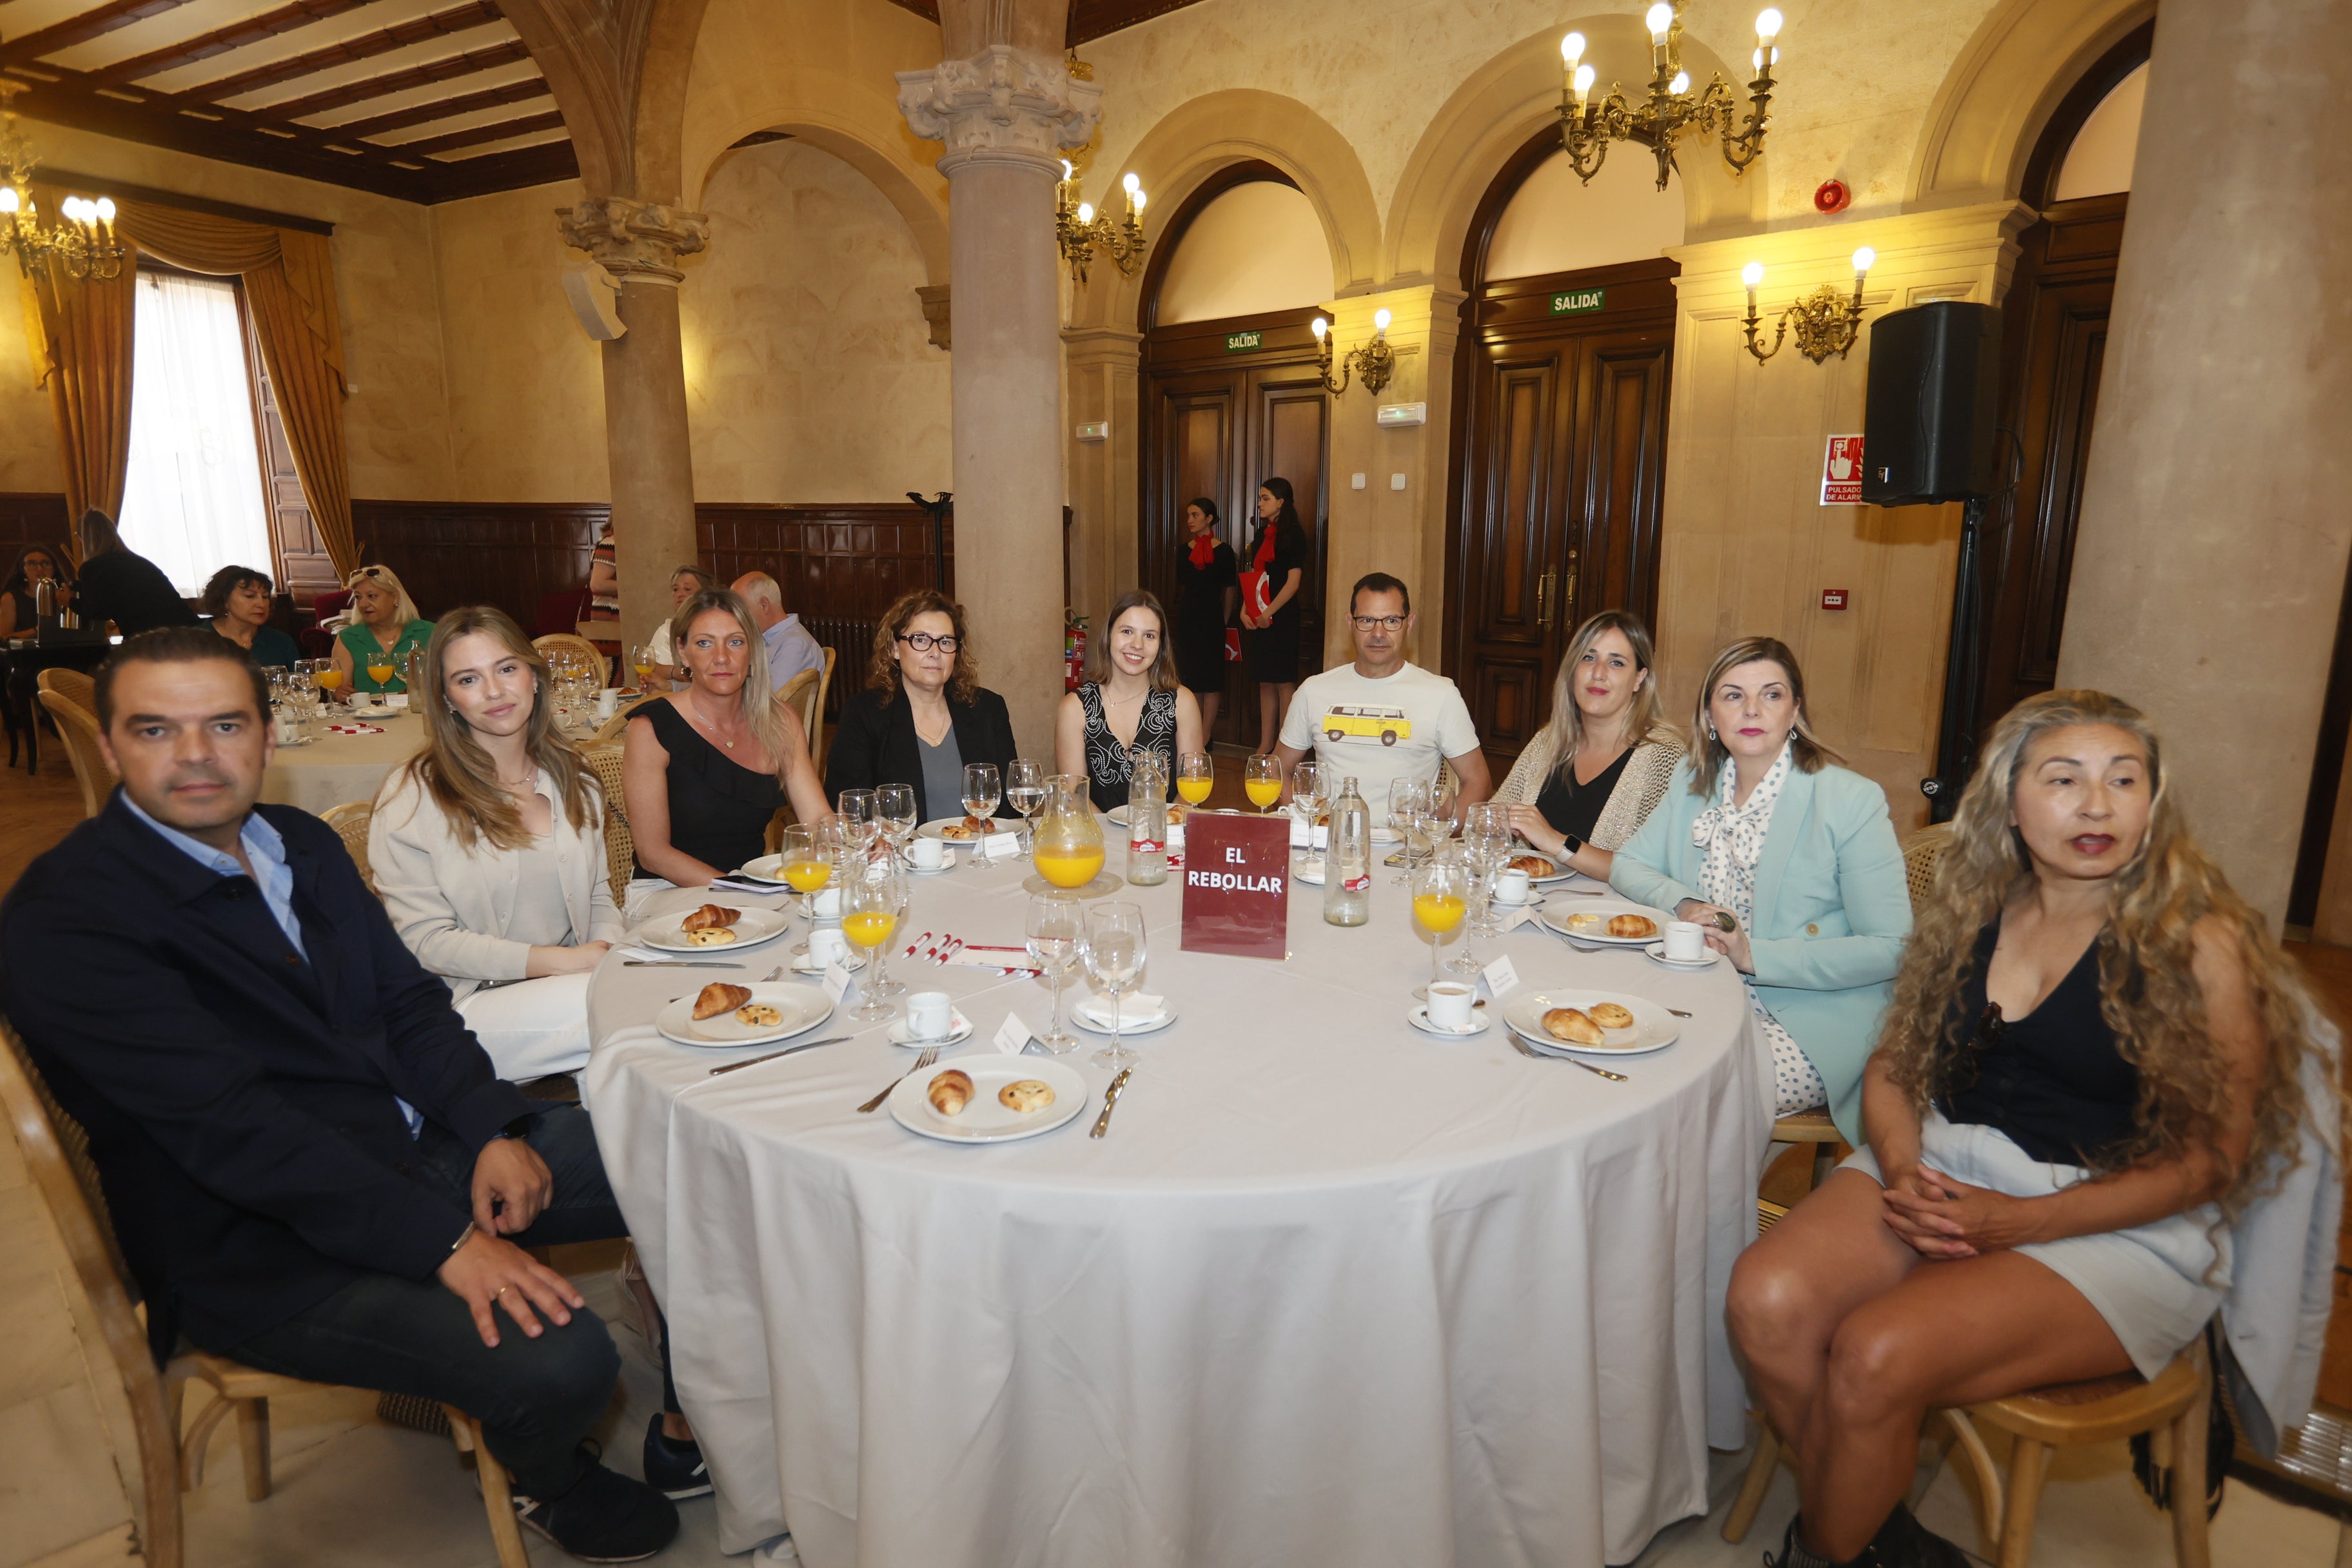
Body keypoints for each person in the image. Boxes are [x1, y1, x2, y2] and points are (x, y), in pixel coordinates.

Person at [0, 627, 683, 1562]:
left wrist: (488, 1126)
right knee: (567, 1356)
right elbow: (237, 1136)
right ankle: (551, 1477)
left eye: (225, 724)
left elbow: (408, 1006)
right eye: (158, 730)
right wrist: (445, 1243)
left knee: (676, 1157)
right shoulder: (70, 919)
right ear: (111, 747)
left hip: (414, 1148)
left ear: (267, 736)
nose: (197, 755)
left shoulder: (300, 844)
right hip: (256, 1244)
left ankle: (699, 1399)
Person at [1724, 690, 2339, 1568]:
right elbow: (1895, 1070)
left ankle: (1826, 1548)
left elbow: (2214, 1160)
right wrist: (1901, 1168)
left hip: (2115, 1219)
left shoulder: (2196, 943)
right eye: (2065, 779)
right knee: (1764, 1299)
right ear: (2010, 801)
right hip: (1940, 1165)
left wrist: (2026, 1222)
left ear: (2152, 803)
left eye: (2124, 780)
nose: (2097, 805)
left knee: (1874, 1355)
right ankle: (1867, 1538)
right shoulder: (1977, 910)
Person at [1609, 636, 1910, 1133]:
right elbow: (1629, 866)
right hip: (1702, 992)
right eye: (1732, 696)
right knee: (1612, 1058)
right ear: (1710, 715)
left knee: (1679, 1101)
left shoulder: (1849, 800)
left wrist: (1755, 957)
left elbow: (1892, 948)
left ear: (1795, 711)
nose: (1752, 710)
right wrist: (1686, 903)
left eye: (1771, 695)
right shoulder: (1693, 783)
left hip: (1813, 1018)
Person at [370, 608, 625, 1084]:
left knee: (639, 1015)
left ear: (535, 677)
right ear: (446, 699)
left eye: (507, 669)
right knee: (625, 1009)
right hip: (461, 1010)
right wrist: (570, 965)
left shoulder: (576, 780)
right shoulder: (415, 794)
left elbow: (598, 895)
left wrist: (605, 949)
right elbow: (423, 941)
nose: (494, 691)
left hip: (571, 988)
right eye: (468, 679)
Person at [623, 588, 830, 887]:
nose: (721, 658)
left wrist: (855, 837)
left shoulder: (779, 720)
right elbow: (653, 853)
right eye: (705, 643)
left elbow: (817, 819)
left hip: (755, 887)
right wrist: (740, 891)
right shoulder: (651, 728)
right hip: (669, 892)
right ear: (683, 651)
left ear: (752, 650)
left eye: (735, 642)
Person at [1274, 572, 1489, 817]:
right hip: (1332, 840)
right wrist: (1300, 822)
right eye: (1367, 620)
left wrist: (1437, 831)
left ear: (1409, 623)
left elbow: (1478, 781)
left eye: (1392, 621)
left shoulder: (1441, 695)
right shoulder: (1313, 691)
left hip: (1406, 846)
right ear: (1350, 623)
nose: (1379, 633)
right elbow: (1278, 767)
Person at [1490, 610, 1684, 882]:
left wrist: (1556, 842)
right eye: (1588, 658)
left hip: (1612, 916)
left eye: (1616, 663)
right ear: (1572, 670)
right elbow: (1488, 821)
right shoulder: (1547, 742)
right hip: (1532, 908)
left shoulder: (1665, 758)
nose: (1598, 673)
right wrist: (1497, 826)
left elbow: (1652, 871)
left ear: (1640, 679)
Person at [826, 589, 1019, 823]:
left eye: (946, 642)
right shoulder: (864, 714)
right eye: (920, 640)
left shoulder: (988, 709)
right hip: (901, 855)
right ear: (895, 648)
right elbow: (849, 806)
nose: (935, 653)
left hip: (979, 853)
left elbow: (1010, 807)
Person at [1056, 589, 1205, 813]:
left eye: (1149, 635)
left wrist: (1162, 830)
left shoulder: (1182, 702)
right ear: (1109, 635)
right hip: (1100, 839)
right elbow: (1076, 798)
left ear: (1161, 645)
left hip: (1166, 837)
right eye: (1127, 631)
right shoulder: (1074, 708)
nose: (1137, 645)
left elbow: (1193, 788)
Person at [1239, 478, 1309, 752]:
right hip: (1260, 614)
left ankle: (1284, 744)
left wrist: (1268, 612)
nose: (1260, 503)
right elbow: (1255, 577)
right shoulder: (1260, 535)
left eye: (1265, 498)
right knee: (1264, 680)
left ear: (1281, 502)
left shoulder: (1295, 535)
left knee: (1283, 681)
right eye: (1260, 498)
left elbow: (1293, 583)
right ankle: (1264, 744)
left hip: (1282, 615)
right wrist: (1247, 609)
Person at [71, 508, 195, 638]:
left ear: (84, 538)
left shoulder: (93, 567)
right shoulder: (138, 561)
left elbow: (99, 612)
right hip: (186, 629)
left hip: (153, 637)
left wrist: (70, 601)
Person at [1171, 497, 1237, 736]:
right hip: (1189, 618)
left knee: (1211, 679)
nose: (1190, 520)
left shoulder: (1225, 551)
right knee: (1191, 678)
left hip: (1213, 620)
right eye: (1188, 515)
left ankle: (1207, 734)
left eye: (1195, 515)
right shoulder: (1182, 550)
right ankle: (1193, 732)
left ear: (1209, 519)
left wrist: (1224, 618)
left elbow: (1231, 588)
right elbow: (1182, 585)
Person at [329, 565, 435, 698]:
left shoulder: (431, 632)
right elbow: (337, 691)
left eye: (372, 596)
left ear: (395, 597)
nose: (363, 604)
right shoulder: (348, 638)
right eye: (358, 597)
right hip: (369, 717)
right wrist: (338, 693)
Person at [729, 571, 826, 695]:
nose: (736, 618)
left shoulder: (795, 644)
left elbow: (773, 700)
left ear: (764, 605)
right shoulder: (767, 638)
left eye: (741, 611)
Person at [199, 565, 302, 669]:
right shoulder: (197, 642)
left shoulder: (280, 641)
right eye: (250, 596)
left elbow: (298, 682)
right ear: (224, 601)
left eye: (265, 597)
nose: (261, 604)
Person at [644, 565, 712, 673]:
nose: (679, 594)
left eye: (687, 589)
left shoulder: (714, 628)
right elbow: (646, 666)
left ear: (705, 594)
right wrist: (674, 672)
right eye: (675, 589)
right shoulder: (667, 629)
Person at [0, 542, 73, 639]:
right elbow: (3, 637)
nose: (40, 569)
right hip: (25, 652)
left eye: (46, 563)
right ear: (22, 569)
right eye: (32, 564)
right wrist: (38, 630)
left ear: (54, 568)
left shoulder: (66, 594)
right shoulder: (11, 598)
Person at [585, 522, 619, 635]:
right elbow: (598, 585)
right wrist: (634, 587)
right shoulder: (610, 542)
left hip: (612, 628)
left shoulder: (612, 540)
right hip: (609, 629)